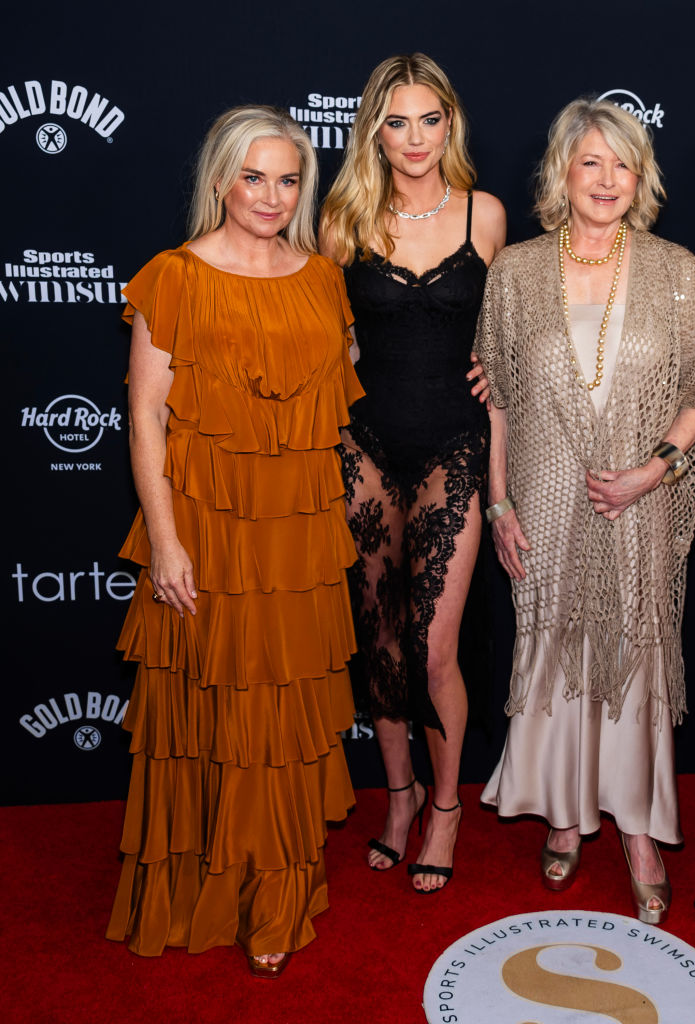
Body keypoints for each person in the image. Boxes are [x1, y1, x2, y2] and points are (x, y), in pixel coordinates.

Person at [106, 106, 364, 977]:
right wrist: (167, 543)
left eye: (288, 179)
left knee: (281, 719)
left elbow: (334, 403)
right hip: (206, 525)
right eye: (253, 177)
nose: (270, 195)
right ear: (219, 180)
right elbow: (144, 414)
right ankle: (206, 885)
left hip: (295, 534)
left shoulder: (322, 278)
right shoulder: (174, 275)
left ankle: (276, 897)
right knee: (212, 712)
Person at [475, 98, 695, 924]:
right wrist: (500, 498)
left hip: (639, 505)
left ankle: (640, 829)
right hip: (542, 499)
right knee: (550, 647)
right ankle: (565, 814)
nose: (608, 179)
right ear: (562, 173)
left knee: (635, 649)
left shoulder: (678, 270)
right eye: (591, 162)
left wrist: (652, 471)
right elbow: (499, 400)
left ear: (641, 176)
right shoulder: (513, 271)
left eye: (623, 164)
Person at [319, 54, 505, 893]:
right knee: (382, 645)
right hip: (365, 446)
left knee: (434, 650)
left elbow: (515, 329)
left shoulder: (486, 215)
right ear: (374, 130)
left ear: (450, 122)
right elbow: (323, 337)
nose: (415, 138)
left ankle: (446, 805)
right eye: (397, 121)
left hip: (452, 448)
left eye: (429, 119)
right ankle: (397, 800)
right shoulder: (343, 218)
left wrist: (506, 370)